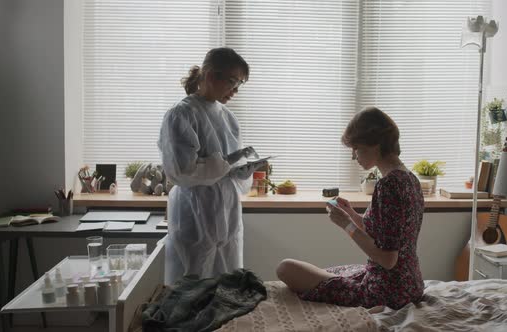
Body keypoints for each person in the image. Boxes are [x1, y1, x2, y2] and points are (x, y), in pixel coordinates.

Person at [276, 106, 424, 309]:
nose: (354, 156)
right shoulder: (409, 179)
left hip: (387, 291)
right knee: (332, 271)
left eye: (357, 148)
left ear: (376, 144)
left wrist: (346, 224)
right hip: (410, 284)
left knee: (286, 269)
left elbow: (388, 259)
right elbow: (386, 238)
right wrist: (353, 215)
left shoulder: (389, 185)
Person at [158, 47, 267, 284]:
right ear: (210, 75)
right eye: (232, 81)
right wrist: (226, 164)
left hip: (227, 209)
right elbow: (181, 172)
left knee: (227, 278)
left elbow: (228, 170)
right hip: (195, 210)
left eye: (239, 84)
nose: (235, 90)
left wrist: (244, 169)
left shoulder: (228, 117)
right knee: (192, 280)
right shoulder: (181, 115)